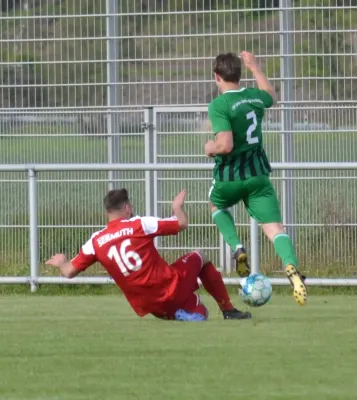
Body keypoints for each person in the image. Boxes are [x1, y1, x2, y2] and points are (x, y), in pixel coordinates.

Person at [45, 188, 252, 321]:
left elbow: (69, 272)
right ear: (127, 207)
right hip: (170, 287)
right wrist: (177, 207)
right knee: (201, 256)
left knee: (201, 312)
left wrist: (62, 261)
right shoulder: (139, 224)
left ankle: (183, 312)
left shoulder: (96, 241)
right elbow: (181, 224)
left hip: (151, 307)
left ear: (107, 212)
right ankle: (228, 309)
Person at [204, 51, 307, 306]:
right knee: (275, 229)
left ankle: (238, 248)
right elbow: (272, 97)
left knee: (216, 205)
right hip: (257, 174)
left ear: (217, 77)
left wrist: (210, 147)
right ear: (239, 74)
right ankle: (292, 268)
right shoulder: (253, 97)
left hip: (229, 176)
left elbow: (225, 145)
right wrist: (256, 67)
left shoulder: (219, 105)